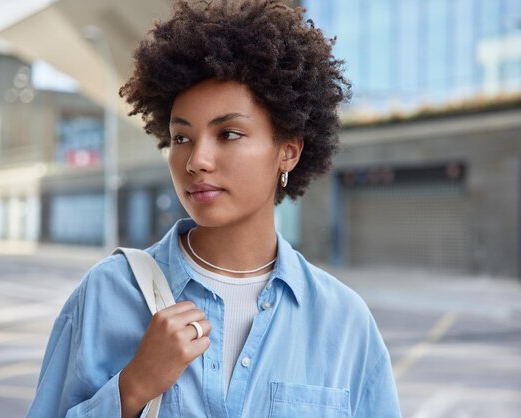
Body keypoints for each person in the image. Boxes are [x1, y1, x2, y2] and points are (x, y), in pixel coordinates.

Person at [26, 1, 401, 417]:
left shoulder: (343, 321)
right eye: (182, 137)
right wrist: (133, 388)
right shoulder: (107, 293)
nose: (196, 160)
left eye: (229, 133)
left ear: (288, 152)